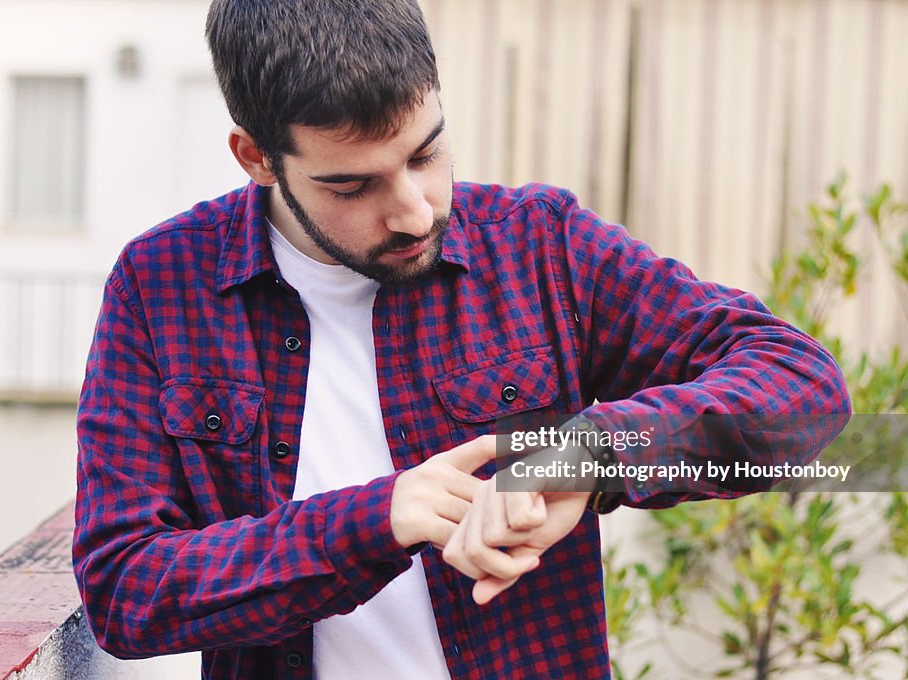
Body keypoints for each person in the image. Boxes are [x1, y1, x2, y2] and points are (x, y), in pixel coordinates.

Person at [71, 1, 850, 678]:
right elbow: (124, 590)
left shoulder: (539, 246)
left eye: (426, 152)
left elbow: (803, 391)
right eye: (353, 185)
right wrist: (376, 519)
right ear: (257, 159)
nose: (413, 210)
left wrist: (589, 458)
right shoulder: (159, 283)